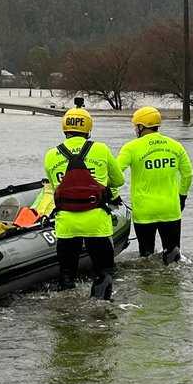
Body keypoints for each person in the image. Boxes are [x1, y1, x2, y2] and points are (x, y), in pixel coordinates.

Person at [42, 106, 125, 298]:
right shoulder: (101, 149)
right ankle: (101, 312)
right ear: (88, 128)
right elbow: (119, 180)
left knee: (66, 275)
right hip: (97, 222)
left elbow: (56, 187)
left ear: (65, 128)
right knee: (104, 272)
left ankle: (67, 313)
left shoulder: (50, 155)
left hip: (66, 224)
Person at [116, 105, 193, 263]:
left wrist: (113, 196)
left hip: (144, 211)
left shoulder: (131, 148)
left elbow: (115, 174)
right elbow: (188, 174)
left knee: (146, 257)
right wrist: (182, 197)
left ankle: (146, 284)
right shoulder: (175, 145)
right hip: (170, 209)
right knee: (173, 256)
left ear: (140, 126)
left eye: (135, 126)